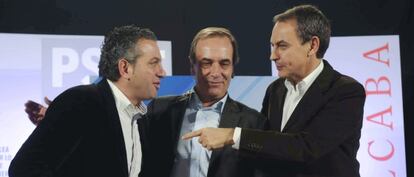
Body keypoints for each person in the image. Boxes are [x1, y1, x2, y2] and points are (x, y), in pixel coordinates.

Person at [183, 5, 366, 177]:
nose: (273, 55)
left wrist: (232, 135)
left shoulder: (345, 92)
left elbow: (306, 147)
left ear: (312, 46)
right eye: (272, 46)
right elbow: (266, 150)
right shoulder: (276, 90)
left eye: (282, 46)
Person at [9, 25, 166, 177]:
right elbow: (25, 168)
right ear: (125, 68)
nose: (162, 72)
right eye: (153, 63)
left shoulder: (141, 121)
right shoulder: (81, 102)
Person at [140, 27, 266, 177]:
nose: (215, 73)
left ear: (233, 69)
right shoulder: (160, 110)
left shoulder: (253, 123)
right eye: (206, 63)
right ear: (192, 66)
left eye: (224, 63)